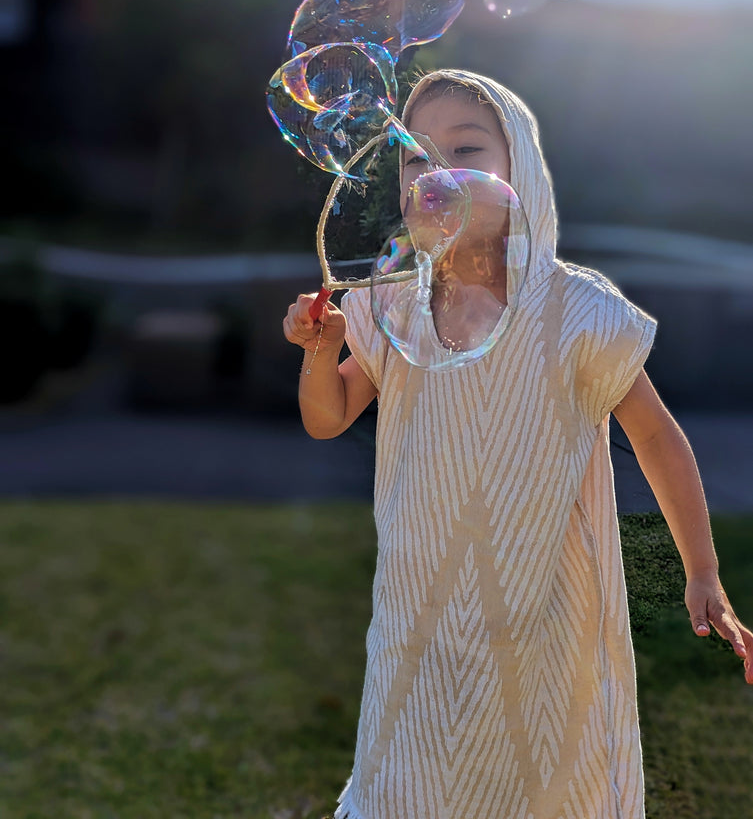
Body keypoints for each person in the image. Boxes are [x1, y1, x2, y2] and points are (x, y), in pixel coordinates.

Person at [283, 69, 753, 819]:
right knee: (411, 777)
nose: (437, 172)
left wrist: (701, 570)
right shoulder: (389, 306)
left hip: (544, 605)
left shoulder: (576, 310)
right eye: (415, 157)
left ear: (517, 171)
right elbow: (327, 415)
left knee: (540, 774)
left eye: (465, 147)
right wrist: (319, 349)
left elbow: (656, 437)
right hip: (421, 601)